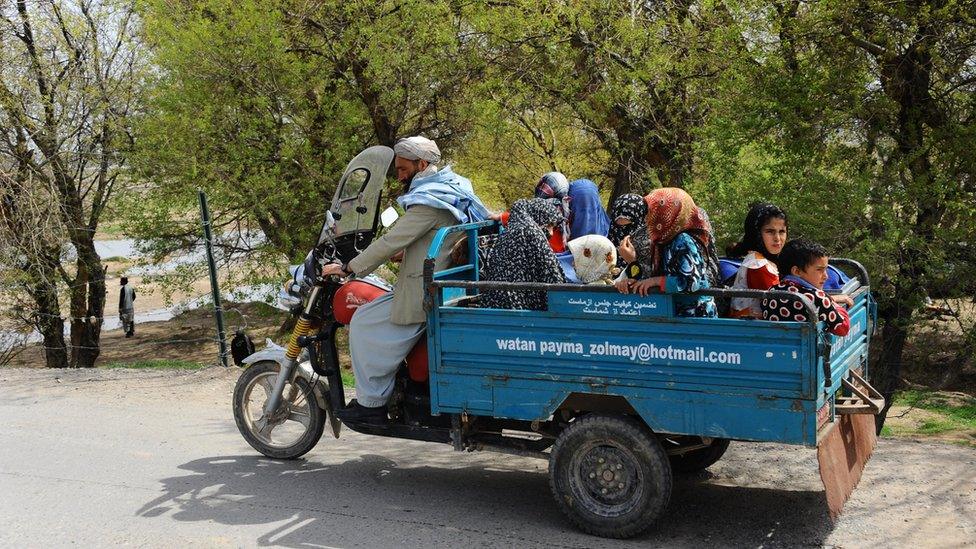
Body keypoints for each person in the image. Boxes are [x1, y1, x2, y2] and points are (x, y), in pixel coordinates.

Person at [321, 136, 489, 426]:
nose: (398, 175)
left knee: (362, 322)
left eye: (402, 169)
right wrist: (406, 252)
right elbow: (423, 238)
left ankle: (371, 404)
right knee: (371, 316)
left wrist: (349, 267)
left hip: (423, 291)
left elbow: (390, 240)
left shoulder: (429, 202)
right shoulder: (452, 189)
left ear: (421, 164)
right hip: (445, 283)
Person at [614, 188, 721, 318]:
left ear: (667, 214)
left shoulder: (683, 241)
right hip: (670, 313)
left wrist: (655, 281)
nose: (648, 218)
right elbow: (654, 275)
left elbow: (691, 282)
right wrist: (632, 282)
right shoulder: (662, 241)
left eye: (653, 212)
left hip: (696, 316)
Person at [481, 199, 566, 310]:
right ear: (538, 217)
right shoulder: (532, 232)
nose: (551, 232)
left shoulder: (509, 230)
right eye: (549, 225)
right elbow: (551, 272)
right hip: (519, 306)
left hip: (495, 303)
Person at [761, 238, 853, 336]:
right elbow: (843, 328)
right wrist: (834, 304)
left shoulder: (771, 292)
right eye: (819, 270)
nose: (826, 276)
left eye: (825, 269)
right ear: (797, 271)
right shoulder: (817, 298)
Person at [727, 203, 789, 318]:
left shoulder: (765, 259)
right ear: (756, 234)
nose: (777, 238)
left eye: (782, 231)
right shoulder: (758, 265)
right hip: (753, 331)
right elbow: (781, 306)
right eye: (770, 231)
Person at [608, 193, 648, 268]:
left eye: (629, 226)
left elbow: (647, 275)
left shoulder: (651, 247)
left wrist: (632, 261)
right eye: (618, 226)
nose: (622, 233)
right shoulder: (606, 239)